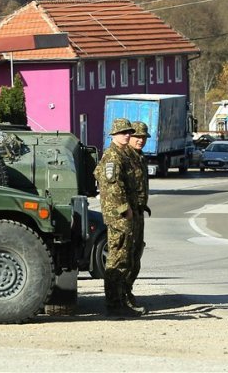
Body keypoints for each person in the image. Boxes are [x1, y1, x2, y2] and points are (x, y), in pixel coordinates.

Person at [93, 118, 143, 318]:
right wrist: (125, 209)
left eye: (129, 132)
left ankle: (121, 300)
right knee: (117, 259)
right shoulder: (113, 156)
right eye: (123, 132)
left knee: (126, 257)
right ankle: (114, 305)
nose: (128, 135)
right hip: (118, 216)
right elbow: (113, 187)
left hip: (125, 214)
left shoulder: (124, 154)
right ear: (113, 135)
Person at [127, 121, 152, 312]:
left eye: (143, 137)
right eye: (137, 137)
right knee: (124, 257)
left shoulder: (140, 158)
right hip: (126, 214)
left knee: (136, 256)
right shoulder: (123, 158)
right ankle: (120, 298)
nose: (140, 140)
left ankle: (127, 292)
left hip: (138, 212)